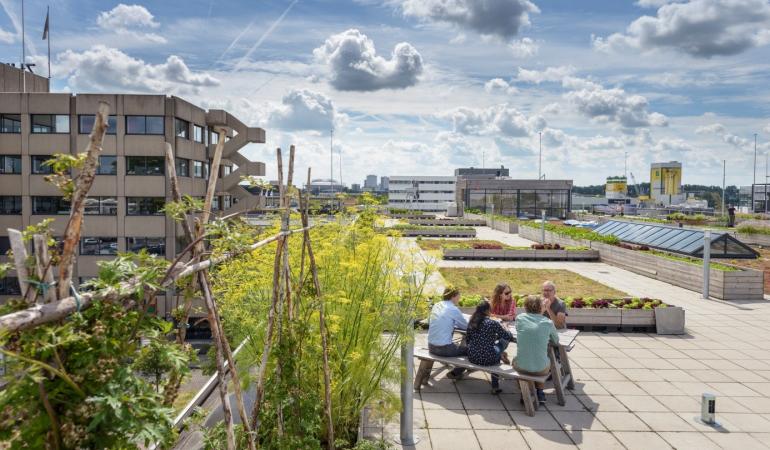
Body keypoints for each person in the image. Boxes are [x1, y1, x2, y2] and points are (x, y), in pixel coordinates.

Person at [513, 295, 560, 404]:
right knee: (542, 361)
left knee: (519, 361)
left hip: (522, 367)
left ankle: (524, 392)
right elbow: (556, 341)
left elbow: (518, 329)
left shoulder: (520, 318)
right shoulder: (548, 322)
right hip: (540, 369)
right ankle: (540, 392)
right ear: (541, 307)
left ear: (525, 306)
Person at [466, 300, 514, 394]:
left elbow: (468, 340)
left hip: (472, 356)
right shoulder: (492, 323)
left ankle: (501, 355)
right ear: (487, 311)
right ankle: (495, 386)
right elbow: (508, 336)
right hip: (488, 359)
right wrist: (505, 327)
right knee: (502, 342)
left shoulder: (472, 321)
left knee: (491, 347)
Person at [427, 286, 468, 379]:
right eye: (459, 295)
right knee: (470, 351)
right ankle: (457, 372)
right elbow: (466, 326)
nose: (459, 298)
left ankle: (458, 371)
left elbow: (431, 322)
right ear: (453, 296)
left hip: (431, 346)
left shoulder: (436, 305)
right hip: (444, 349)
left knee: (455, 345)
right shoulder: (453, 309)